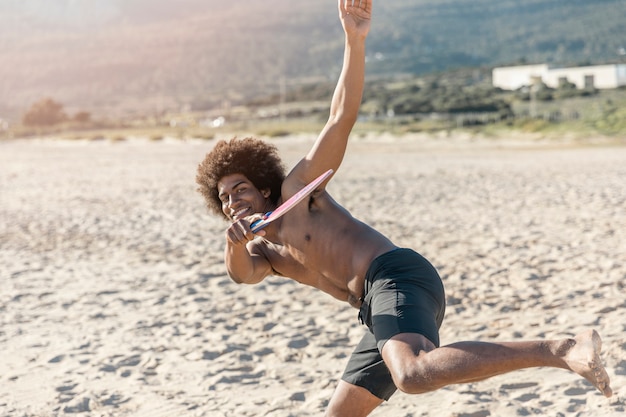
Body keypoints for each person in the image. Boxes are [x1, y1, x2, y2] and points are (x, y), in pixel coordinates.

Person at [196, 1, 612, 415]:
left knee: (412, 375)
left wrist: (354, 41)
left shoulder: (298, 192)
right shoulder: (265, 252)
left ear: (264, 187)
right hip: (376, 311)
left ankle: (560, 348)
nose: (233, 202)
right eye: (225, 198)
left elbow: (340, 118)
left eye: (240, 189)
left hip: (395, 276)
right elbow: (242, 275)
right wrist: (234, 244)